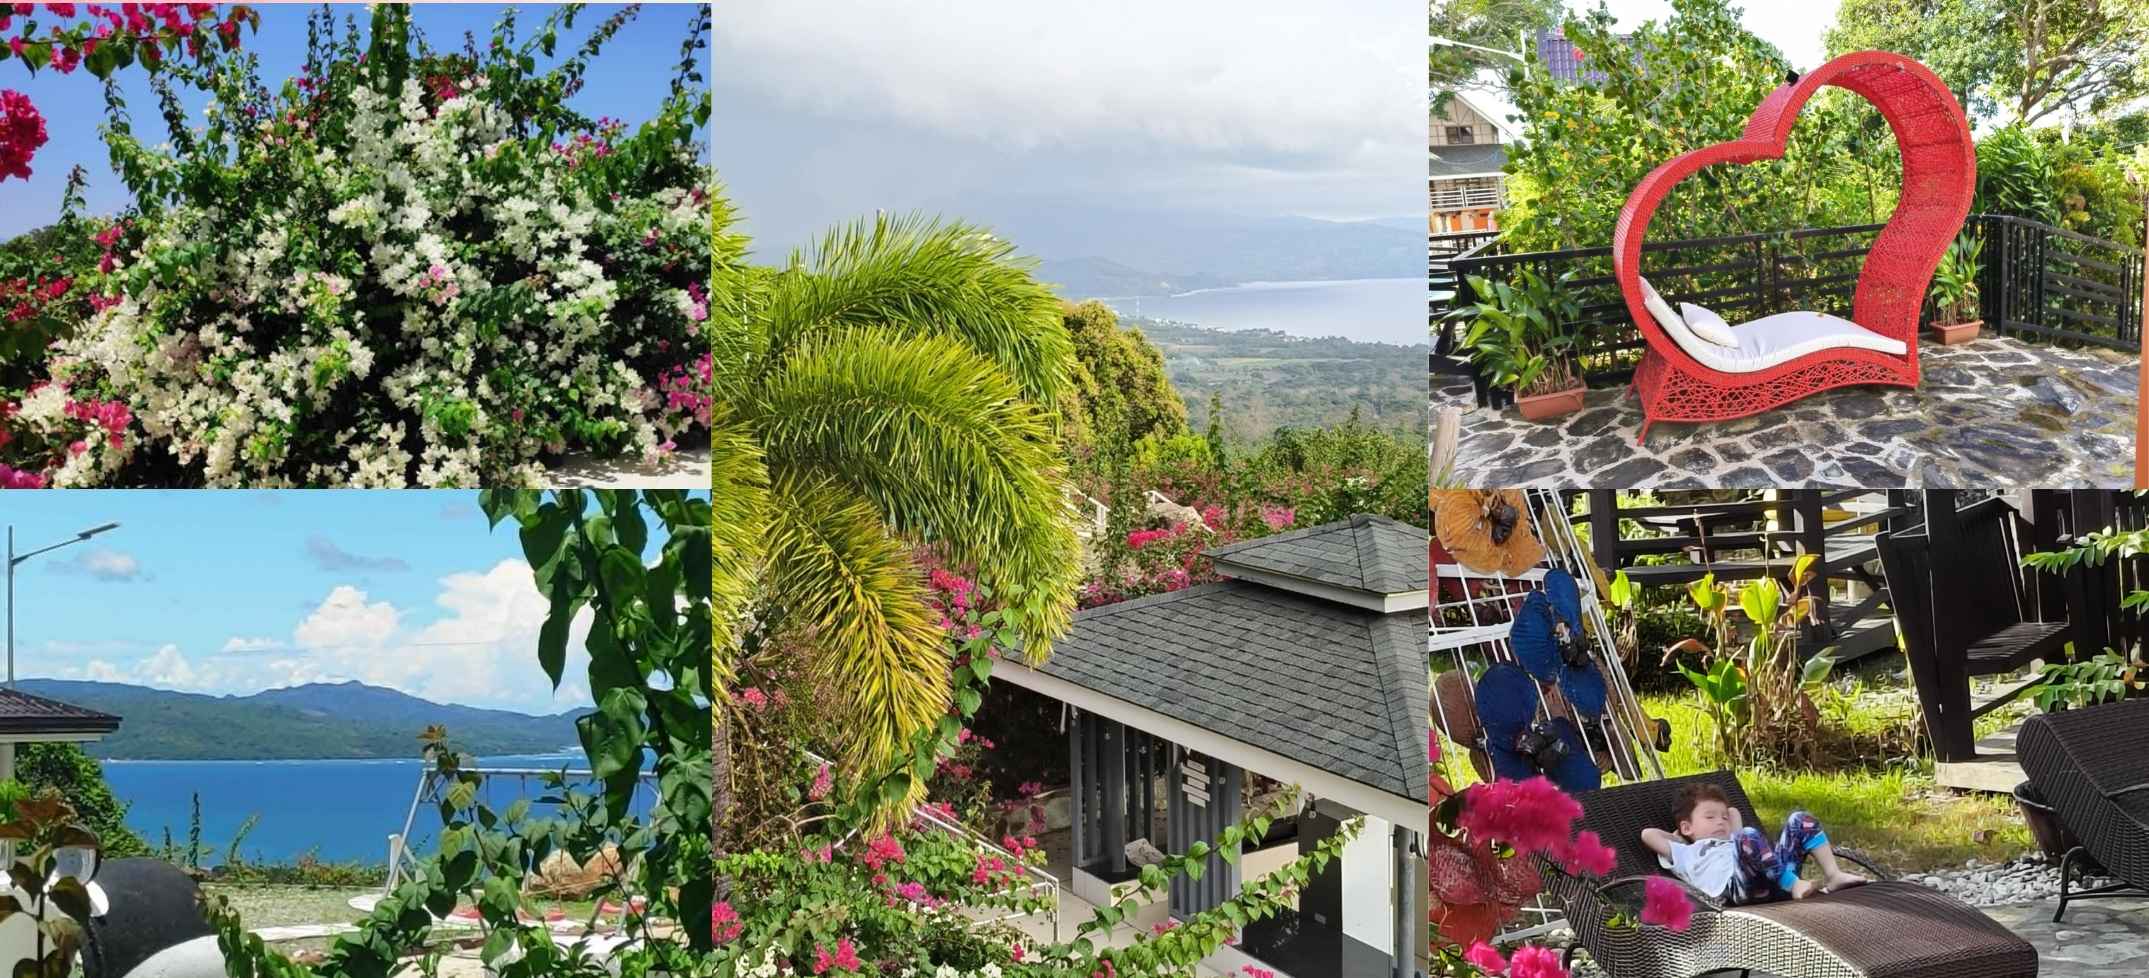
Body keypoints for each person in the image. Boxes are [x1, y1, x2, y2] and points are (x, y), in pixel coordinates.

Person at [1640, 783, 1866, 905]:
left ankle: (1833, 875)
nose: (1720, 820)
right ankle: (1794, 885)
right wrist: (1681, 836)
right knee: (1747, 835)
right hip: (1740, 889)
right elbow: (1648, 834)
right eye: (1710, 817)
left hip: (1772, 879)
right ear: (1687, 827)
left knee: (1800, 819)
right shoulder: (1685, 852)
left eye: (1723, 818)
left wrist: (1724, 821)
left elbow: (1733, 812)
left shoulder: (1733, 837)